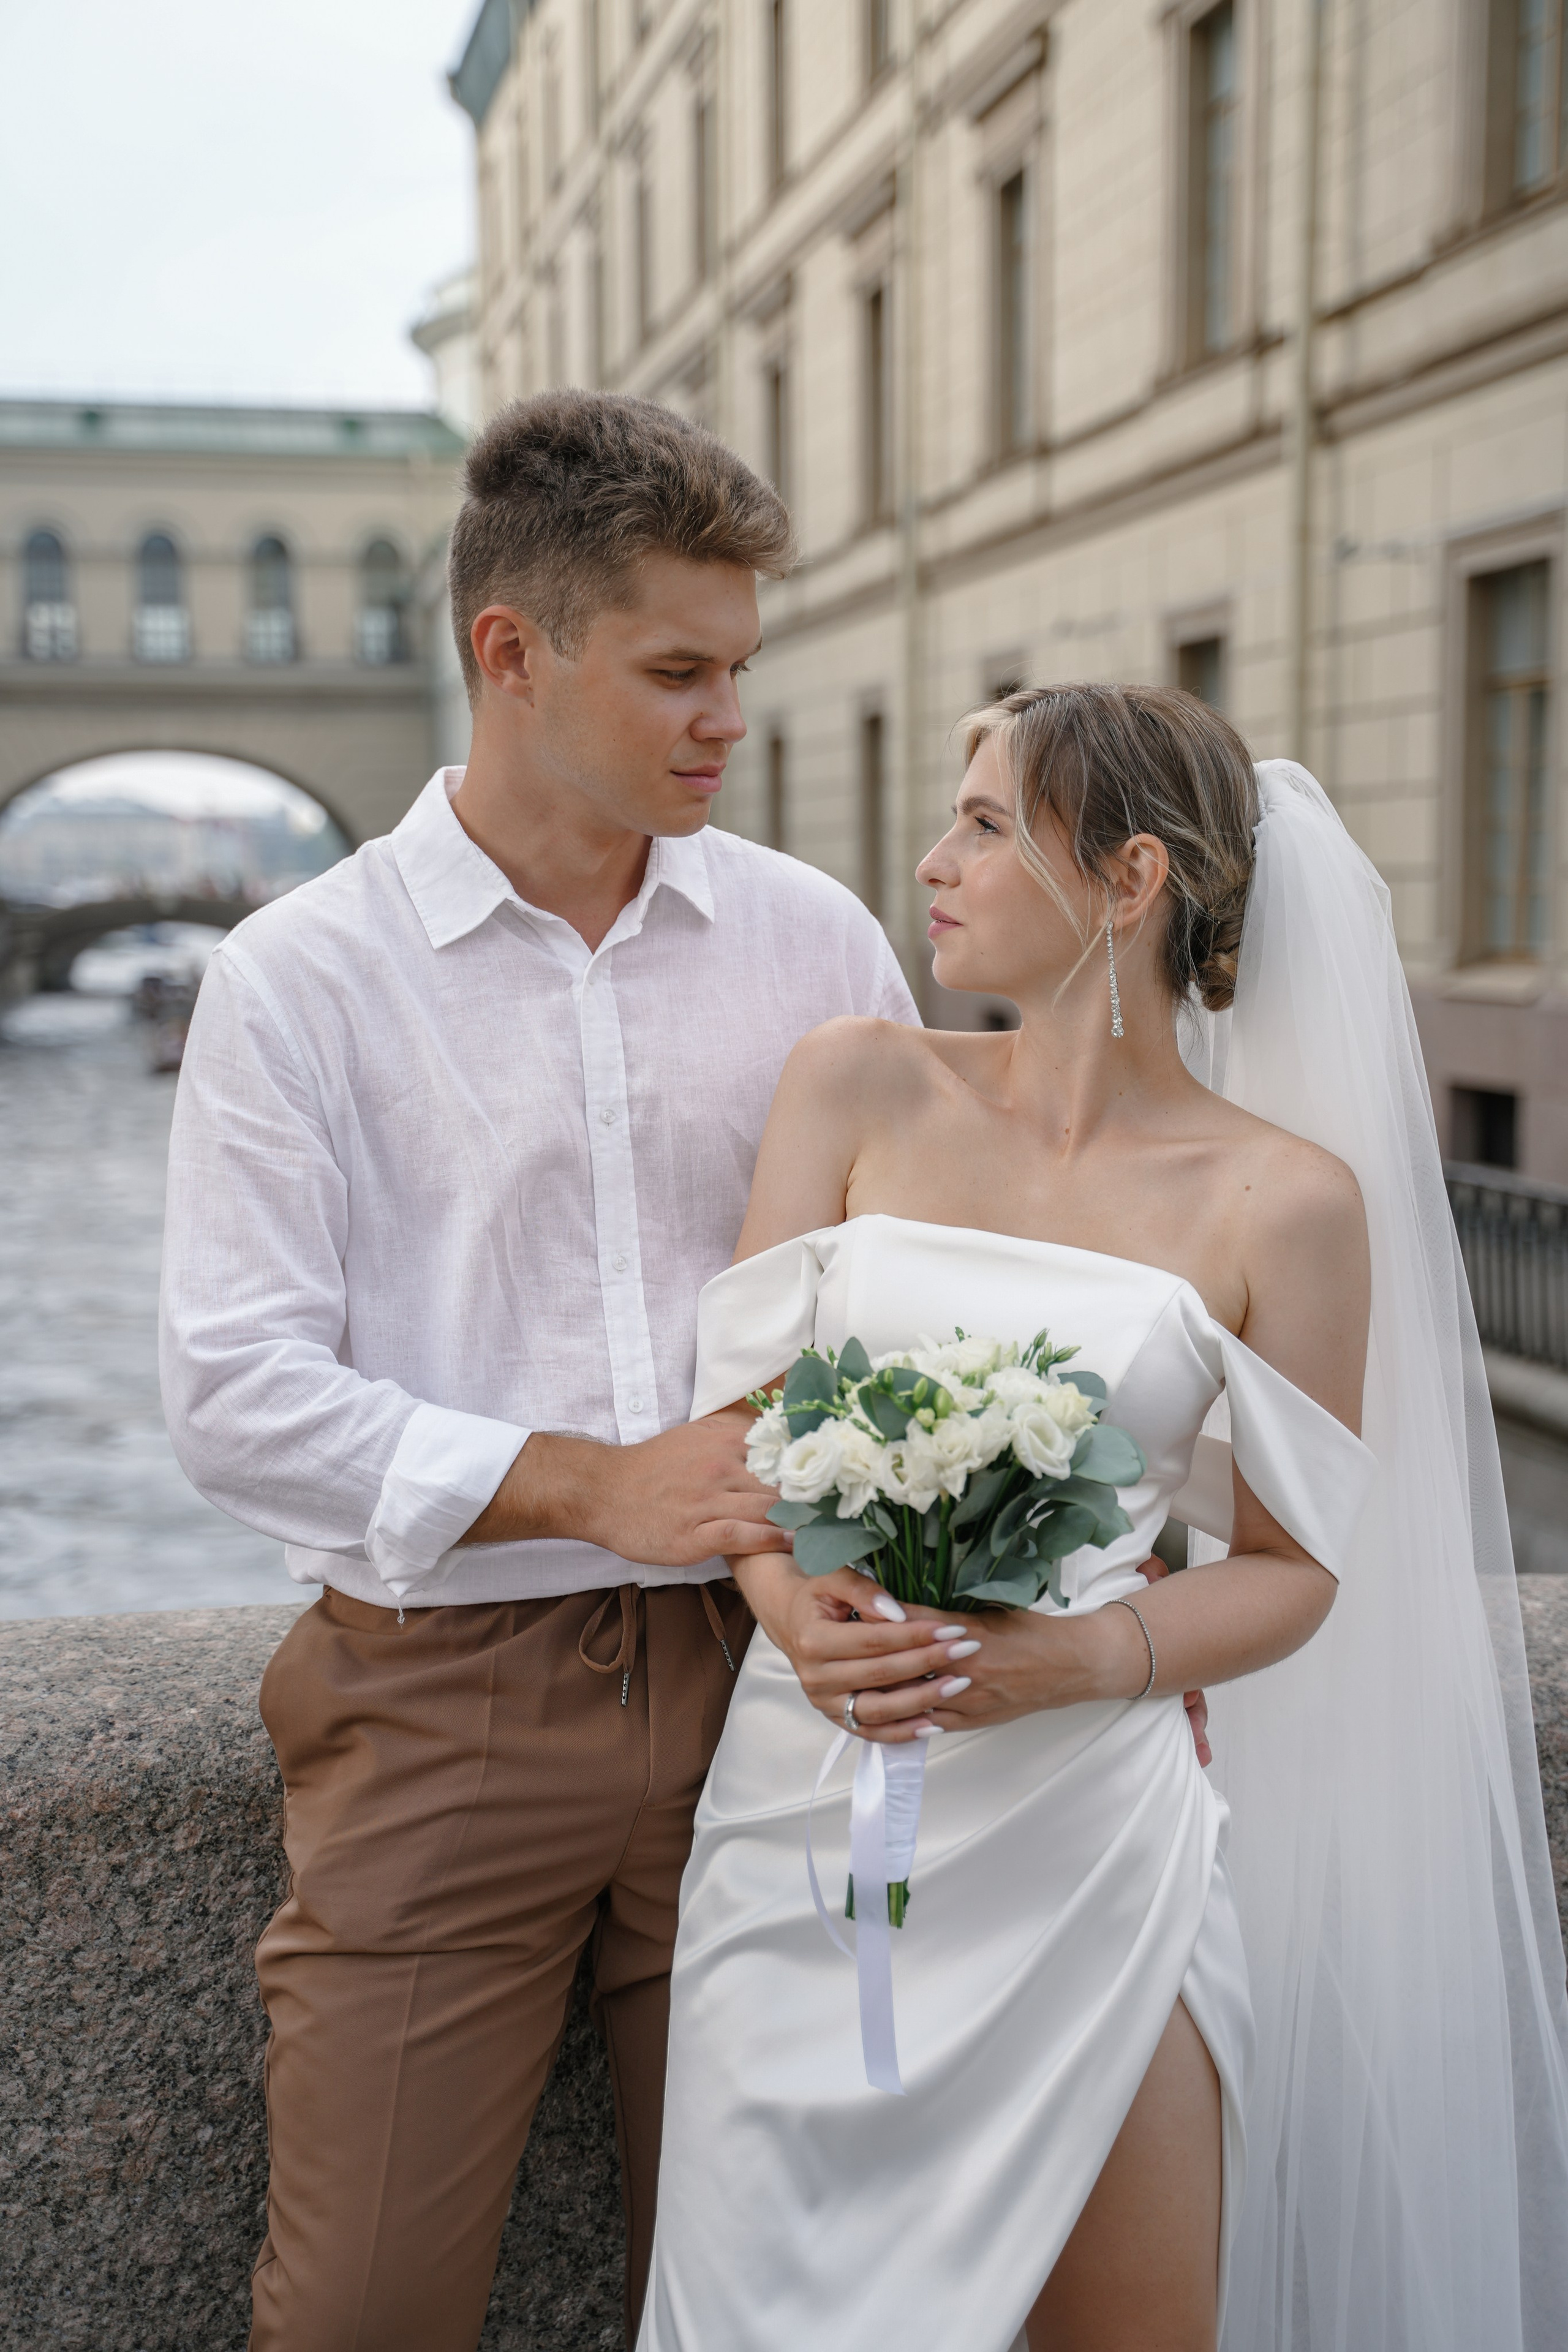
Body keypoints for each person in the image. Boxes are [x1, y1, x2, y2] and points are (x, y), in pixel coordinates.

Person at [637, 685, 1568, 2352]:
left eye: (988, 824)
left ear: (1129, 878)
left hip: (1098, 1837)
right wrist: (793, 1615)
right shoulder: (856, 1083)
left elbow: (1292, 1573)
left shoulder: (1284, 1203)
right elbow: (740, 1435)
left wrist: (1077, 1660)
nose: (934, 862)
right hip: (817, 1805)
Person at [158, 390, 921, 2352]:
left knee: (790, 2304)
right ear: (513, 651)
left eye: (741, 669)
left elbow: (914, 1293)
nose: (725, 720)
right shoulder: (301, 977)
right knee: (360, 2320)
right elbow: (235, 1392)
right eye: (679, 670)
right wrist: (599, 1482)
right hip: (442, 1717)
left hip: (786, 1694)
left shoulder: (814, 939)